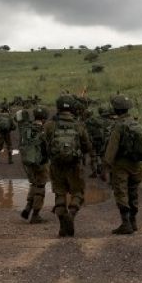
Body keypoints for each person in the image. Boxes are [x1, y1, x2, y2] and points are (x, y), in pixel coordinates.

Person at [103, 94, 142, 234]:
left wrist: (106, 166)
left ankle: (125, 223)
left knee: (121, 192)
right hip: (135, 164)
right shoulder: (135, 123)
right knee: (133, 192)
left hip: (121, 164)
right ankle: (133, 221)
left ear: (115, 109)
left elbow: (111, 149)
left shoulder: (118, 126)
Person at [44, 95, 93, 237]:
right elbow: (87, 146)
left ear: (58, 107)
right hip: (74, 165)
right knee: (78, 193)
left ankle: (62, 226)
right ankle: (71, 214)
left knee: (59, 194)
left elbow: (44, 144)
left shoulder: (50, 125)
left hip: (56, 165)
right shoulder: (78, 125)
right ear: (72, 108)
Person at [19, 106, 50, 224]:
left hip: (28, 162)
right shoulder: (44, 130)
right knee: (40, 187)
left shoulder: (27, 129)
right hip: (41, 163)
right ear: (44, 118)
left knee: (34, 184)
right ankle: (36, 214)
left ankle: (28, 207)